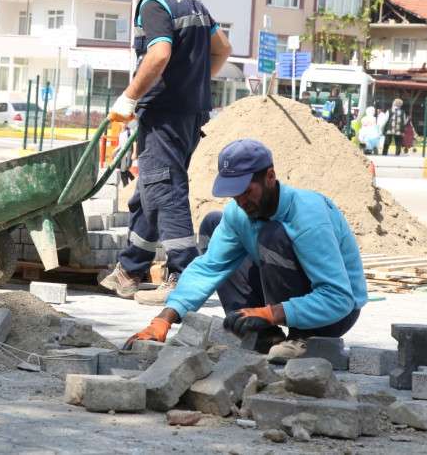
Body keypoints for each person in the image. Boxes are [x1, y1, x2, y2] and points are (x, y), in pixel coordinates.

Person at [125, 139, 367, 360]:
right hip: (286, 302)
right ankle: (266, 336)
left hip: (335, 315)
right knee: (216, 224)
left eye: (247, 191)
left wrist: (271, 312)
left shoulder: (309, 217)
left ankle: (302, 337)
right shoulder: (239, 212)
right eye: (234, 194)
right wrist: (164, 319)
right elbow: (210, 267)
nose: (240, 201)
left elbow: (340, 298)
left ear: (270, 176)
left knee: (273, 233)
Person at [98, 0, 232, 305]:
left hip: (164, 114)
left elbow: (158, 54)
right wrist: (194, 83)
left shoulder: (154, 3)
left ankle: (183, 276)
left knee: (166, 190)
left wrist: (130, 97)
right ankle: (130, 270)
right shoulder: (193, 2)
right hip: (191, 113)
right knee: (149, 193)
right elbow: (222, 48)